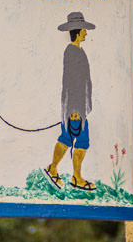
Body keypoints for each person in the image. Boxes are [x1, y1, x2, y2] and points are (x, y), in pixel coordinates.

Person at [44, 11, 96, 191]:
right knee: (80, 141)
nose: (86, 33)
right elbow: (72, 81)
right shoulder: (73, 52)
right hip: (75, 106)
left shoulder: (78, 51)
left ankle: (54, 169)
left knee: (67, 138)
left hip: (78, 106)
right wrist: (74, 108)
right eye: (84, 30)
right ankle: (76, 177)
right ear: (78, 31)